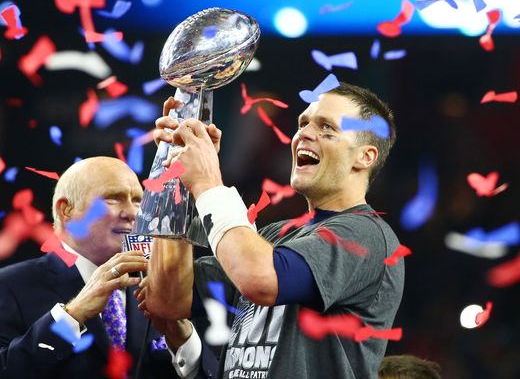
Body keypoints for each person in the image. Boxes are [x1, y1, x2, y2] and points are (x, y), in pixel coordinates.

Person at [143, 82, 405, 378]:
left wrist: (207, 181)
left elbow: (260, 280)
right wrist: (176, 177)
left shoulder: (367, 236)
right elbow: (167, 302)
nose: (304, 133)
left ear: (365, 157)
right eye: (303, 123)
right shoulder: (273, 237)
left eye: (327, 128)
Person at [0, 156, 202, 378]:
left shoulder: (161, 288)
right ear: (66, 210)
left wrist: (182, 338)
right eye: (113, 199)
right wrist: (73, 314)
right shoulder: (9, 286)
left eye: (137, 201)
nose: (132, 213)